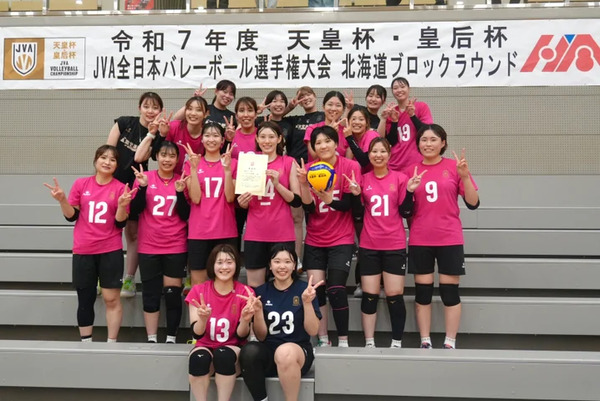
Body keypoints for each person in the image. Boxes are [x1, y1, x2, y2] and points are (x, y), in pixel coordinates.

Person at [44, 145, 135, 342]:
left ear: (117, 165)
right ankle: (86, 343)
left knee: (111, 298)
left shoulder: (121, 188)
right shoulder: (81, 184)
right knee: (85, 299)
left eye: (112, 159)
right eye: (103, 157)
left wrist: (122, 205)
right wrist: (62, 200)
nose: (107, 162)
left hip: (110, 250)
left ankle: (111, 344)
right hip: (83, 250)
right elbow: (72, 216)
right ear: (95, 160)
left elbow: (120, 223)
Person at [345, 137, 425, 348]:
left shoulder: (400, 178)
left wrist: (409, 191)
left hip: (394, 245)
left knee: (394, 295)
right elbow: (358, 215)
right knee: (369, 295)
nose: (378, 155)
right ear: (369, 155)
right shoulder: (363, 179)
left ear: (389, 155)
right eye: (374, 151)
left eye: (382, 151)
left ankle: (396, 342)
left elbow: (406, 212)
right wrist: (355, 196)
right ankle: (369, 342)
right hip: (369, 245)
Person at [405, 124, 479, 349]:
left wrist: (465, 177)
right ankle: (425, 340)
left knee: (449, 292)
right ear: (418, 143)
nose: (428, 144)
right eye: (424, 139)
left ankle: (450, 341)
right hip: (420, 238)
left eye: (433, 139)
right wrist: (409, 190)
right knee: (423, 292)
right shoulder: (410, 170)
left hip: (449, 238)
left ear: (443, 143)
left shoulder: (455, 167)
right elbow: (405, 210)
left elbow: (473, 203)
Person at [297, 126, 361, 347]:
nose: (323, 146)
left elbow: (350, 205)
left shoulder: (350, 166)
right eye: (318, 143)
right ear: (313, 148)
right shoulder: (309, 170)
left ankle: (343, 340)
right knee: (317, 290)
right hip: (315, 239)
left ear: (336, 143)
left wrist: (329, 200)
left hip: (341, 238)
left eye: (327, 141)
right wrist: (304, 185)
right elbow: (308, 208)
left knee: (336, 289)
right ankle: (323, 339)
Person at [239, 244, 323, 401]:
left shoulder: (305, 290)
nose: (282, 266)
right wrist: (258, 312)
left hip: (298, 353)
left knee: (285, 352)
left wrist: (307, 303)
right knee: (249, 351)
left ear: (294, 265)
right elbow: (261, 336)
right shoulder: (261, 292)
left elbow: (313, 331)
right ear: (270, 265)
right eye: (277, 261)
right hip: (270, 352)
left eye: (287, 262)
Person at [130, 141, 190, 344]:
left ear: (177, 159)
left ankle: (171, 338)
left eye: (172, 156)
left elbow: (186, 215)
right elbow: (135, 210)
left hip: (175, 245)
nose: (167, 159)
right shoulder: (144, 177)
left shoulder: (182, 180)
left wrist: (180, 193)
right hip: (149, 246)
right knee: (151, 293)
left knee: (173, 294)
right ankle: (152, 338)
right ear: (156, 156)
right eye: (163, 155)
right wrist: (142, 188)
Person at [107, 91, 164, 298]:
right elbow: (108, 151)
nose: (150, 111)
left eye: (155, 107)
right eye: (146, 106)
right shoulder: (124, 123)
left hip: (136, 187)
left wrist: (153, 133)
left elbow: (140, 157)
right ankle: (104, 277)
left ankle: (129, 279)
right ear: (139, 107)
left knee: (133, 234)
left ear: (160, 111)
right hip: (113, 185)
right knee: (107, 231)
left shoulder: (157, 135)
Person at [185, 244, 255, 401]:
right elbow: (196, 333)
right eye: (220, 262)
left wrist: (245, 320)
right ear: (212, 265)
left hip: (233, 348)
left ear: (236, 265)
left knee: (223, 356)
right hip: (205, 345)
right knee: (199, 358)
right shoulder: (198, 291)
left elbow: (241, 336)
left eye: (229, 262)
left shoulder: (245, 292)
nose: (224, 267)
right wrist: (202, 319)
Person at [237, 122, 302, 288]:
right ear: (257, 139)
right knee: (255, 287)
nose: (267, 141)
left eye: (271, 137)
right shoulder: (249, 163)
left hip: (282, 233)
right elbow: (243, 201)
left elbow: (296, 200)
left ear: (279, 139)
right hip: (255, 233)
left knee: (285, 285)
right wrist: (242, 203)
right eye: (263, 137)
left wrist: (278, 184)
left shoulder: (288, 162)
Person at [184, 122, 237, 286]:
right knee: (198, 283)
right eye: (207, 135)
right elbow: (195, 198)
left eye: (215, 136)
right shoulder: (191, 163)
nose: (211, 139)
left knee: (226, 281)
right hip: (199, 231)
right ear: (201, 139)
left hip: (225, 229)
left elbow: (230, 197)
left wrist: (227, 170)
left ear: (222, 140)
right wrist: (193, 169)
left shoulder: (233, 163)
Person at [283, 86, 325, 269]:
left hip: (318, 171)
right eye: (302, 96)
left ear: (315, 97)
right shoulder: (295, 120)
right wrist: (290, 106)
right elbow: (277, 118)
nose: (306, 98)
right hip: (296, 170)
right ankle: (297, 259)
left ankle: (319, 256)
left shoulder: (323, 117)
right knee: (297, 217)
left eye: (308, 95)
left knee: (316, 215)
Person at [135, 95, 209, 175]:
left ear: (206, 114)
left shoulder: (208, 134)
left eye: (198, 110)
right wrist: (162, 134)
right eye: (190, 109)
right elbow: (154, 156)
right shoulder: (174, 127)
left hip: (196, 179)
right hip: (172, 179)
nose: (193, 113)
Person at [378, 77, 433, 172]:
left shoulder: (421, 106)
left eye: (402, 87)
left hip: (416, 162)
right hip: (395, 163)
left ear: (409, 89)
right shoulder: (392, 111)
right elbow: (390, 141)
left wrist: (412, 115)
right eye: (395, 88)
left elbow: (427, 131)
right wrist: (393, 121)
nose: (399, 90)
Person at [304, 91, 351, 162]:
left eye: (338, 105)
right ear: (323, 107)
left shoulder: (346, 132)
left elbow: (348, 162)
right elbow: (315, 157)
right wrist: (329, 132)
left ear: (343, 109)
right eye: (330, 104)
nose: (333, 108)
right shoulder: (312, 129)